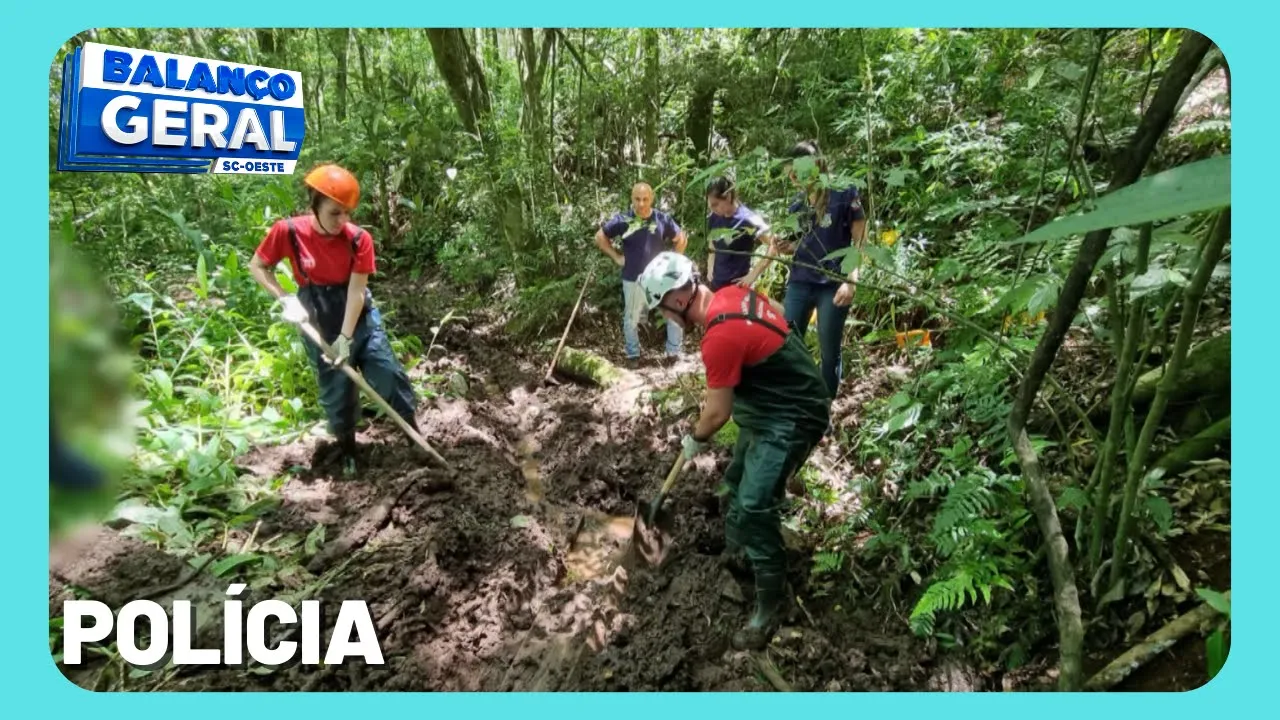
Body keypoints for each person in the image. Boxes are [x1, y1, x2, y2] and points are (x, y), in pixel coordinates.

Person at [637, 251, 832, 651]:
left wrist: (695, 438)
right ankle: (738, 551)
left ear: (679, 300)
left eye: (663, 310)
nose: (665, 318)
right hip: (770, 404)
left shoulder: (719, 337)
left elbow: (716, 414)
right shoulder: (731, 294)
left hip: (793, 414)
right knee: (734, 479)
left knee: (756, 504)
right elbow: (782, 315)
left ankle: (769, 607)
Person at [249, 164, 420, 477]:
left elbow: (356, 292)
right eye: (334, 213)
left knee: (387, 372)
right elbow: (258, 266)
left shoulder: (359, 239)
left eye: (347, 213)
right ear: (314, 205)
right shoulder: (288, 232)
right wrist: (285, 298)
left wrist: (346, 338)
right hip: (317, 318)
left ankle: (414, 437)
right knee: (336, 388)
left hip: (358, 317)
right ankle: (348, 449)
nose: (342, 221)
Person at [778, 140, 867, 399]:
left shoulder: (844, 192)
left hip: (833, 283)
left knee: (829, 351)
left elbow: (860, 239)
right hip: (800, 281)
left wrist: (851, 280)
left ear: (815, 165)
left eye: (797, 172)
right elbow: (801, 241)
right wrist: (787, 246)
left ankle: (824, 406)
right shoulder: (798, 204)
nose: (793, 179)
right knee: (788, 343)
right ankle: (797, 399)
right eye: (790, 174)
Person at [595, 182, 688, 364]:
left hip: (659, 278)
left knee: (674, 313)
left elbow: (681, 239)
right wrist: (616, 257)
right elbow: (600, 237)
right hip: (633, 278)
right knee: (631, 319)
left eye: (645, 199)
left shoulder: (661, 219)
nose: (641, 203)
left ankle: (673, 354)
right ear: (632, 199)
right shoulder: (624, 220)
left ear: (651, 198)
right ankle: (633, 355)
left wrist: (673, 262)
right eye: (637, 199)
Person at [704, 177, 778, 291]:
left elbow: (773, 245)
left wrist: (753, 275)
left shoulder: (748, 219)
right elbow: (712, 242)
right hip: (716, 286)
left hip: (738, 287)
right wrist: (710, 265)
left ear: (728, 197)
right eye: (710, 206)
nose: (712, 209)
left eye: (715, 204)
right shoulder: (714, 217)